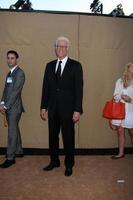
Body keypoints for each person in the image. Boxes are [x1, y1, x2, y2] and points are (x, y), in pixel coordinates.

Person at [40, 36, 83, 176]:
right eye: (58, 46)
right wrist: (43, 106)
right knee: (53, 137)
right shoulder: (49, 65)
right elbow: (45, 87)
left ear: (67, 48)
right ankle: (54, 161)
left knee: (68, 137)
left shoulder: (76, 66)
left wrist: (77, 110)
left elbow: (79, 89)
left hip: (69, 109)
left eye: (63, 46)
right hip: (52, 108)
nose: (60, 49)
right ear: (55, 48)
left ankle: (69, 164)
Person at [0, 50, 25, 168]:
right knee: (14, 129)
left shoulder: (20, 73)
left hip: (15, 108)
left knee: (11, 132)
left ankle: (10, 157)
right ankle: (19, 150)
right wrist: (2, 102)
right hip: (8, 106)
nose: (10, 60)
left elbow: (15, 92)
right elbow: (6, 90)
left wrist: (6, 106)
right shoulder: (9, 74)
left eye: (12, 58)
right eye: (8, 58)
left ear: (16, 59)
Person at [111, 62, 133, 159]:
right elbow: (115, 95)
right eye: (131, 67)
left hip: (131, 111)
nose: (132, 69)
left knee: (132, 132)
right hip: (120, 110)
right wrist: (121, 97)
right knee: (120, 131)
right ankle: (121, 153)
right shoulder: (120, 81)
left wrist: (131, 100)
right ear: (127, 68)